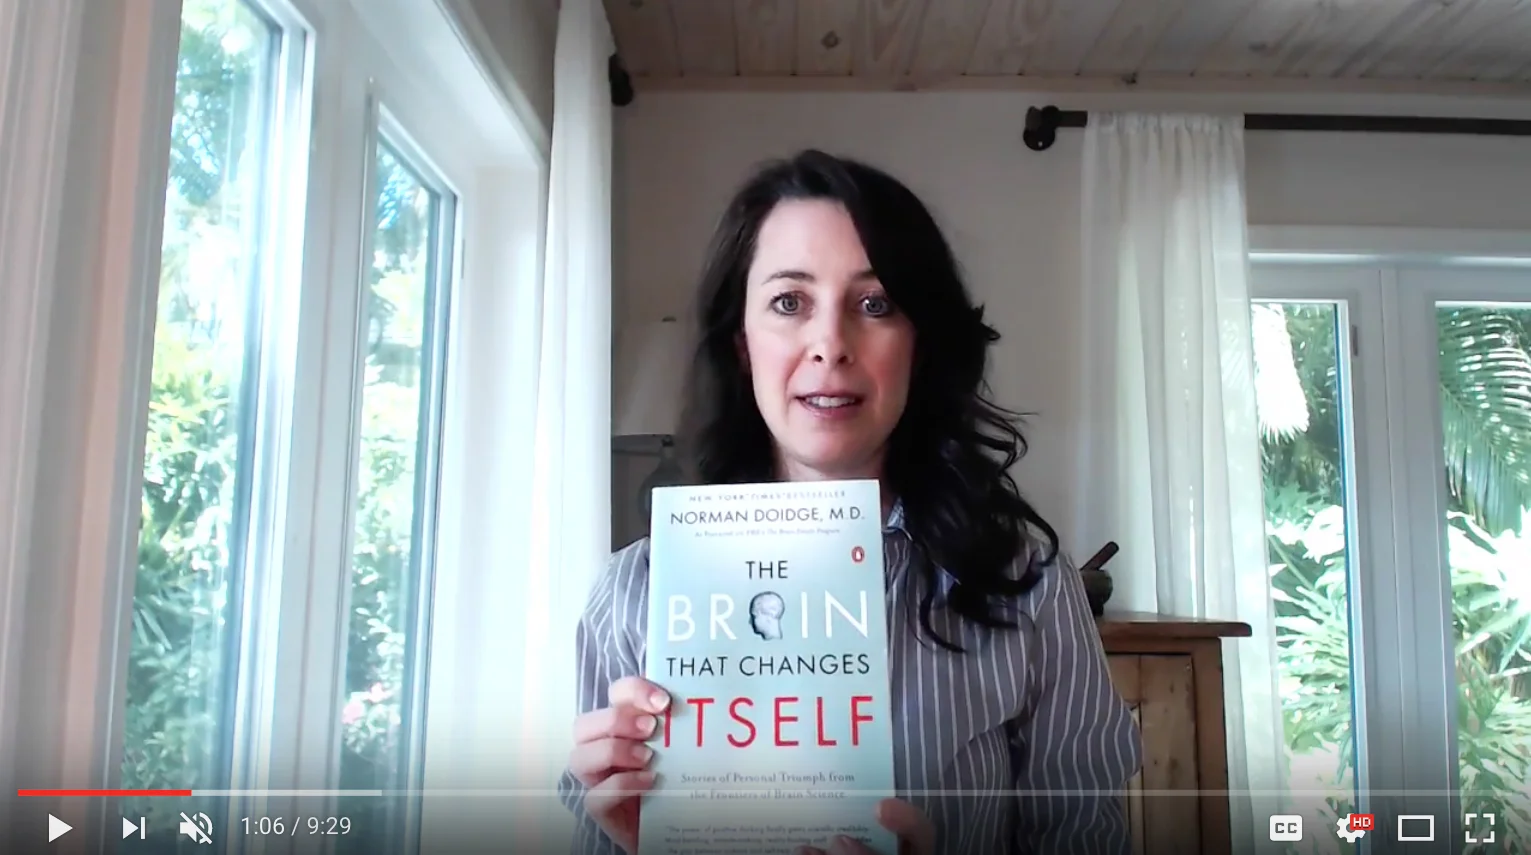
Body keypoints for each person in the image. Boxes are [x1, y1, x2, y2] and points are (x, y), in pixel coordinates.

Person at [557, 149, 1141, 855]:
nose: (830, 344)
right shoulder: (631, 595)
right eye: (788, 302)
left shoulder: (1029, 581)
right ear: (742, 343)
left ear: (919, 343)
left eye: (875, 304)